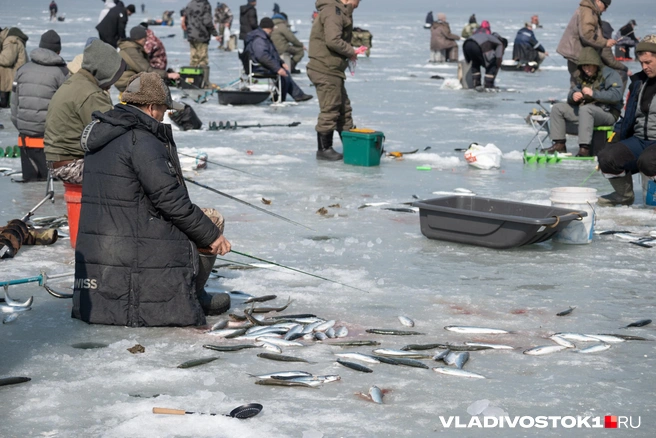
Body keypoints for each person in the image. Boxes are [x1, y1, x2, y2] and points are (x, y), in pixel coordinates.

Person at [71, 72, 231, 327]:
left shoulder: (106, 129)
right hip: (134, 242)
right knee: (212, 220)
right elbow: (170, 199)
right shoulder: (142, 139)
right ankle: (192, 296)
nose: (164, 115)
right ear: (151, 107)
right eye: (163, 110)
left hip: (105, 241)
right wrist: (211, 235)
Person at [44, 39, 126, 184]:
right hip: (71, 164)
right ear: (104, 70)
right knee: (132, 170)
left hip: (59, 160)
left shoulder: (76, 81)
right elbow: (111, 133)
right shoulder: (91, 93)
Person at [597, 35, 656, 206]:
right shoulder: (638, 83)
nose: (644, 67)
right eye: (641, 63)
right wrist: (617, 132)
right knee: (607, 157)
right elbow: (628, 113)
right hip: (639, 140)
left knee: (648, 161)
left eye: (648, 62)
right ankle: (624, 195)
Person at [307, 0, 362, 161]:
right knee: (330, 108)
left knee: (344, 109)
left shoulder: (339, 11)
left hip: (333, 69)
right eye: (357, 1)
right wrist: (351, 51)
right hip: (325, 67)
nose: (357, 5)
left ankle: (353, 145)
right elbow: (333, 40)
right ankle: (324, 149)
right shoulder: (333, 11)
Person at [10, 30, 68, 182]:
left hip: (25, 138)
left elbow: (14, 104)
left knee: (30, 189)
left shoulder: (22, 70)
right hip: (50, 142)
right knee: (48, 188)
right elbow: (66, 108)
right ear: (58, 51)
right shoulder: (62, 73)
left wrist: (22, 126)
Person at [546, 47, 623, 157]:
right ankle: (559, 145)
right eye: (584, 66)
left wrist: (593, 94)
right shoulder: (584, 77)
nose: (586, 69)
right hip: (587, 113)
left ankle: (584, 149)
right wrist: (573, 96)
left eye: (588, 65)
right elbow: (573, 93)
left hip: (608, 113)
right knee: (558, 108)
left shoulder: (610, 74)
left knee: (586, 109)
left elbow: (616, 95)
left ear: (596, 64)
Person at [245, 18, 312, 103]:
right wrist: (277, 68)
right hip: (258, 67)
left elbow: (273, 53)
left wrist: (281, 63)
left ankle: (296, 95)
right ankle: (282, 97)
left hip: (263, 65)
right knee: (283, 74)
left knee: (285, 73)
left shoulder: (263, 37)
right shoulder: (259, 39)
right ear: (270, 28)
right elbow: (262, 56)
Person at [556, 0, 615, 86]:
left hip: (578, 55)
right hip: (578, 55)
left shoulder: (588, 10)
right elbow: (587, 34)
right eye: (605, 6)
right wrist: (605, 42)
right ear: (598, 1)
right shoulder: (588, 11)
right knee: (580, 85)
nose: (605, 10)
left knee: (579, 85)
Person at [116, 26, 179, 92]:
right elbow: (146, 70)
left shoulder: (132, 48)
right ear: (140, 39)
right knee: (157, 90)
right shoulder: (131, 51)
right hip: (127, 81)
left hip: (131, 79)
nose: (145, 41)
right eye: (145, 39)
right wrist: (167, 75)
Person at [183, 0, 220, 70]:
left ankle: (193, 79)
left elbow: (186, 20)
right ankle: (203, 79)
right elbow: (207, 21)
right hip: (201, 35)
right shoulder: (205, 4)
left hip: (191, 35)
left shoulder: (189, 4)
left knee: (194, 59)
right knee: (202, 60)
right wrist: (215, 33)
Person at [0, 27, 29, 109]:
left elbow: (7, 60)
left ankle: (5, 104)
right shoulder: (8, 39)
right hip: (13, 77)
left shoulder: (10, 41)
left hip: (13, 77)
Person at [601, 21, 629, 92]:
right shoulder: (603, 43)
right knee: (622, 74)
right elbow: (611, 62)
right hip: (599, 69)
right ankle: (618, 98)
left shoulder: (595, 40)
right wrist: (626, 68)